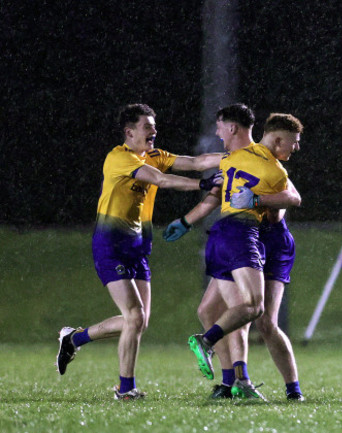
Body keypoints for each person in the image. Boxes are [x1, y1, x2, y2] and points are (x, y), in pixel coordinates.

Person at [56, 103, 224, 400]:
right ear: (129, 132)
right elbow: (160, 179)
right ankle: (125, 389)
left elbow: (197, 161)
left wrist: (236, 157)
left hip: (137, 246)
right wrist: (203, 183)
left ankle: (74, 338)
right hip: (110, 246)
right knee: (134, 316)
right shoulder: (118, 158)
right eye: (147, 126)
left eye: (153, 126)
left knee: (139, 321)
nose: (153, 131)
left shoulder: (155, 156)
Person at [164, 104, 304, 401]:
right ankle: (234, 381)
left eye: (219, 127)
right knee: (227, 310)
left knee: (262, 320)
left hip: (270, 242)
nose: (298, 148)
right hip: (241, 236)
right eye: (295, 142)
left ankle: (280, 388)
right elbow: (204, 174)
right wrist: (186, 221)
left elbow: (292, 197)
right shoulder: (237, 159)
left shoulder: (266, 163)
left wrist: (257, 198)